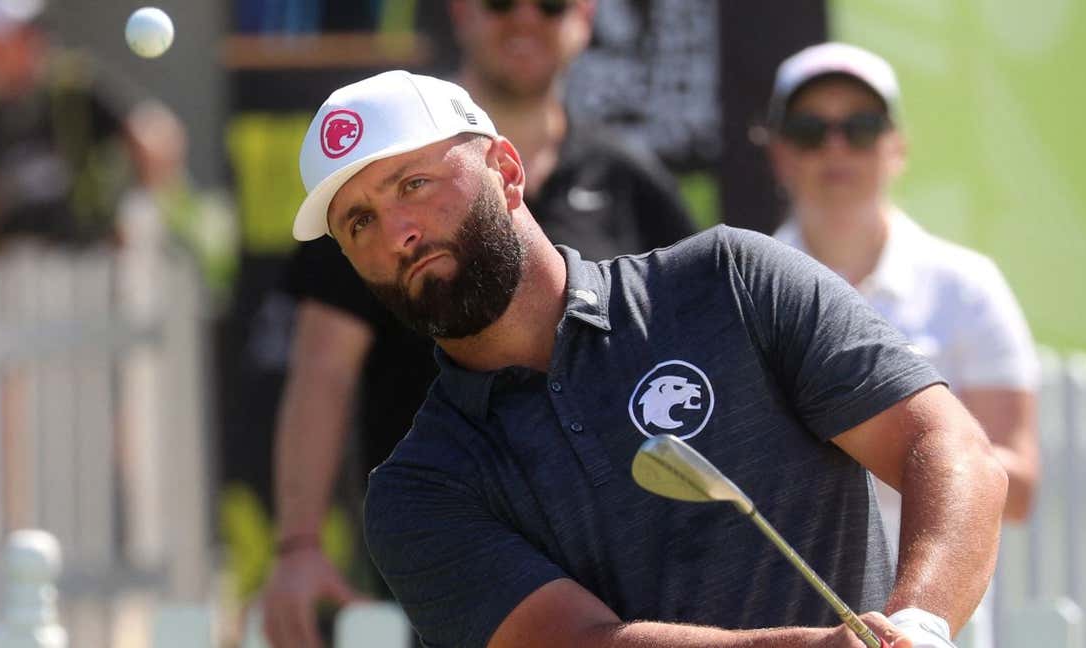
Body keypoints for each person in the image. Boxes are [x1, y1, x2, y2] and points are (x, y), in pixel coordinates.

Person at [288, 69, 1007, 648]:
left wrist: (918, 625)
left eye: (414, 185)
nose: (399, 234)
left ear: (507, 171)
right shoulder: (417, 491)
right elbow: (577, 643)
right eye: (361, 221)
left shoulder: (733, 280)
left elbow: (946, 445)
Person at [260, 1, 698, 646]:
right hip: (454, 544)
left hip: (637, 554)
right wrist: (298, 542)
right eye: (498, 2)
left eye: (548, 4)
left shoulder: (635, 183)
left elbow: (693, 359)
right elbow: (323, 369)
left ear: (585, 14)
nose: (523, 19)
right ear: (462, 11)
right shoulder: (372, 179)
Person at [759, 42, 1041, 648]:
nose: (835, 147)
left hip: (941, 628)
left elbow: (1018, 490)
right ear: (778, 151)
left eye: (859, 126)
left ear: (897, 146)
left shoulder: (968, 287)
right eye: (811, 129)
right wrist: (911, 442)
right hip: (791, 628)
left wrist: (882, 443)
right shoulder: (739, 292)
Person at [0, 0, 184, 251]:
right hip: (21, 272)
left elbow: (156, 136)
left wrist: (140, 207)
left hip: (94, 264)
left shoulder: (75, 91)